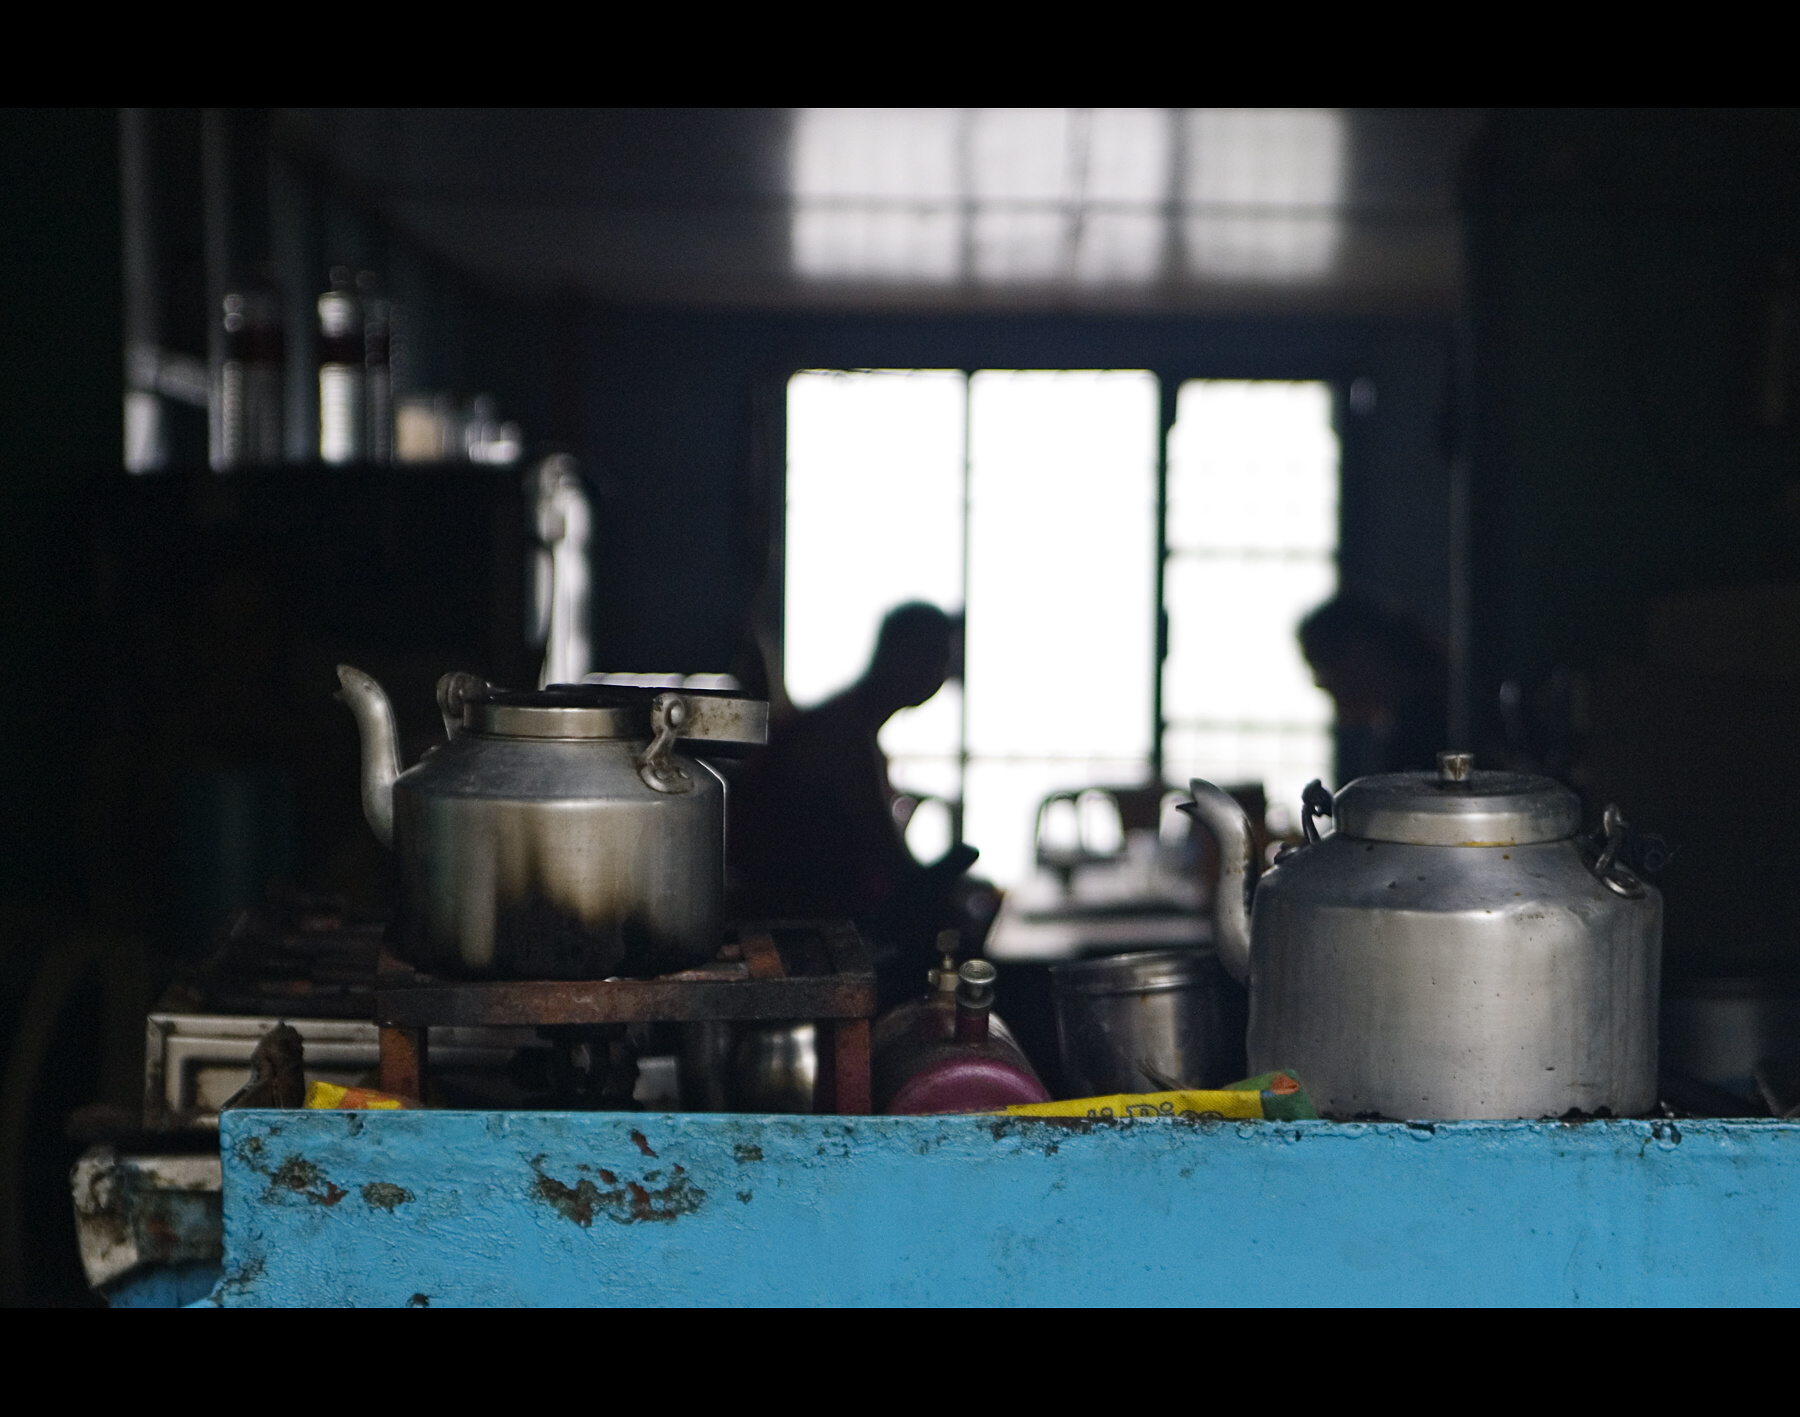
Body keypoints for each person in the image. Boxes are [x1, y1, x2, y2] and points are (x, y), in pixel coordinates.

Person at [728, 603, 978, 992]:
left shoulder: (849, 726)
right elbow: (888, 861)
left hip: (814, 928)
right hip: (795, 938)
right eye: (935, 657)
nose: (941, 674)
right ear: (896, 653)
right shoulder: (840, 736)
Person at [1297, 594, 1448, 779]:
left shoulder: (1422, 730)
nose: (1320, 683)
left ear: (1360, 653)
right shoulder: (1399, 725)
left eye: (1321, 666)